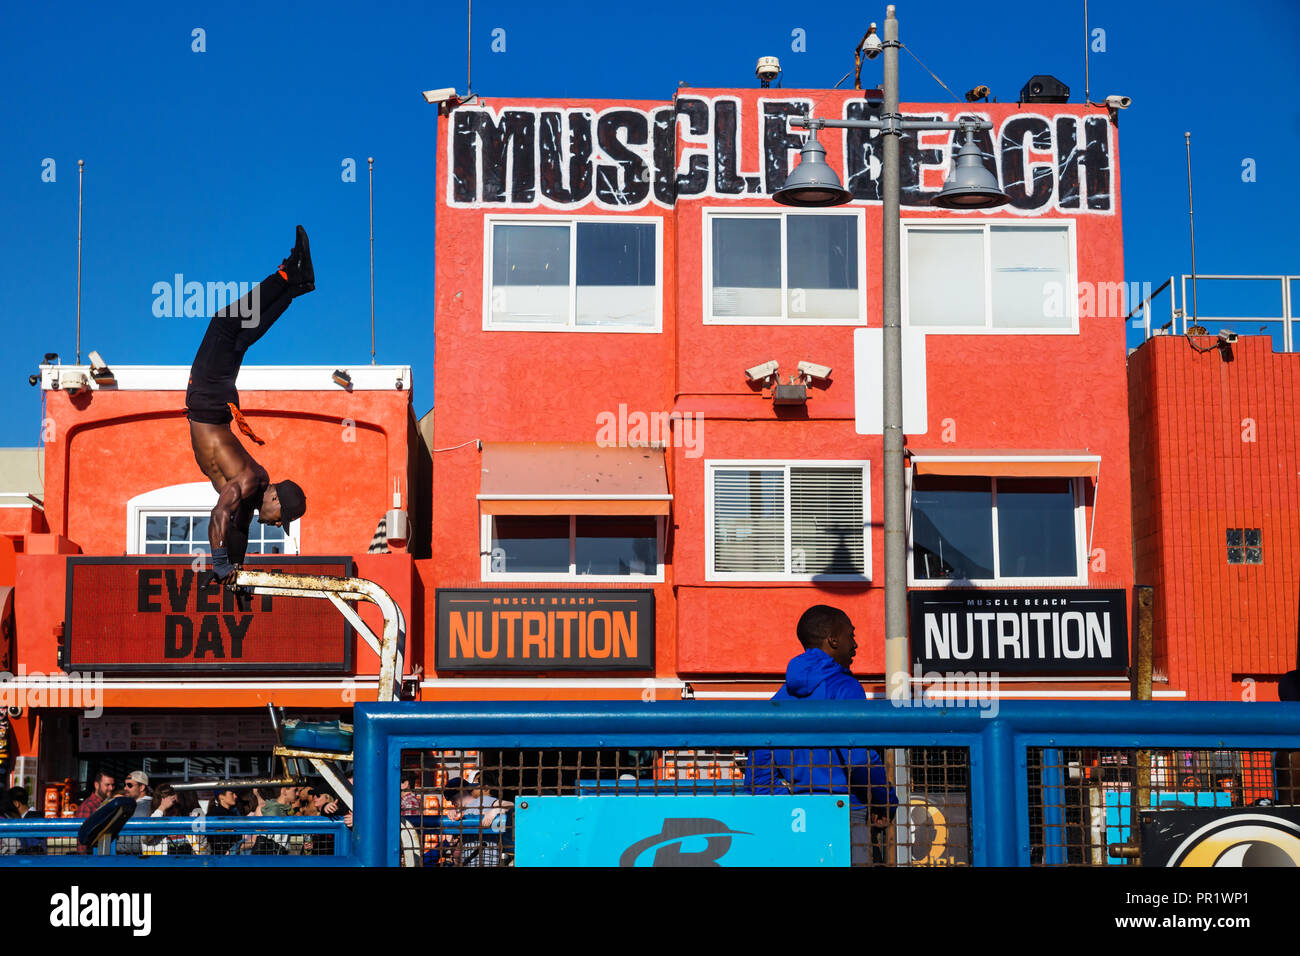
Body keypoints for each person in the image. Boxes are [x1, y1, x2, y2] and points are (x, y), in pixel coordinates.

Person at [187, 225, 312, 588]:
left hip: (212, 403)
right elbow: (219, 513)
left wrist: (234, 578)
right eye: (280, 517)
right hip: (209, 400)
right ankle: (289, 275)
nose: (275, 524)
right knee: (227, 325)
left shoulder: (248, 498)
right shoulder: (253, 478)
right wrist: (221, 563)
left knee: (240, 337)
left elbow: (235, 529)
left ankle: (294, 285)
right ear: (274, 495)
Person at [745, 604, 898, 866]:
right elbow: (859, 759)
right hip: (847, 814)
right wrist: (885, 801)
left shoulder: (780, 699)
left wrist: (804, 805)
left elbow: (758, 781)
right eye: (851, 635)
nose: (856, 644)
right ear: (833, 640)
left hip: (799, 822)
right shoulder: (846, 688)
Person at [117, 770, 152, 855]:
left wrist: (114, 846)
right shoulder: (131, 804)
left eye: (130, 785)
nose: (125, 788)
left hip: (135, 857)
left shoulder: (145, 807)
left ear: (142, 787)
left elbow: (137, 841)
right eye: (124, 785)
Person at [204, 786, 242, 856]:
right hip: (222, 856)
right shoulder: (213, 815)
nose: (235, 796)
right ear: (221, 797)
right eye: (232, 794)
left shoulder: (234, 813)